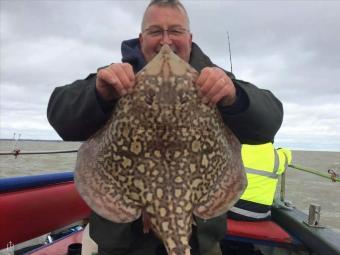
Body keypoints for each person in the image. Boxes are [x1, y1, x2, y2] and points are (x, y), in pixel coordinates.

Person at [47, 0, 283, 254]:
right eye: (156, 31)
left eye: (175, 31)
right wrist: (97, 93)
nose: (166, 41)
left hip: (201, 243)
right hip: (124, 247)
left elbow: (270, 120)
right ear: (141, 38)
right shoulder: (116, 80)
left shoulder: (215, 80)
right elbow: (60, 114)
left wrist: (235, 96)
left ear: (190, 38)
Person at [228, 144, 292, 221]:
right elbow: (287, 154)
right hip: (259, 215)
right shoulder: (278, 157)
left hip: (231, 210)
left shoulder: (236, 150)